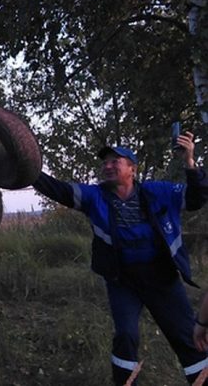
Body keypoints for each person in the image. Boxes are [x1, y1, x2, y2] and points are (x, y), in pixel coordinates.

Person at [33, 131, 208, 385]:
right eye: (105, 162)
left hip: (162, 278)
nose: (108, 166)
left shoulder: (158, 191)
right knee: (126, 336)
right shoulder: (95, 197)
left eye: (115, 161)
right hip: (123, 280)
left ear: (132, 169)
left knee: (187, 336)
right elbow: (58, 190)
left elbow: (196, 198)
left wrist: (190, 162)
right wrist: (28, 171)